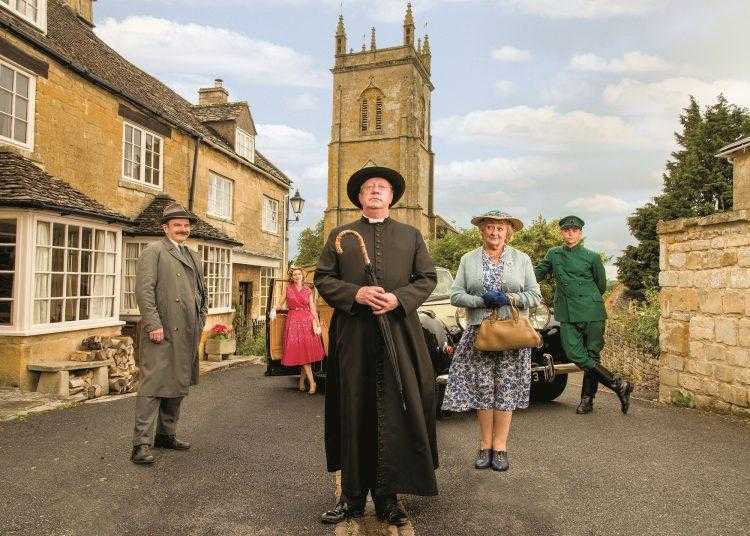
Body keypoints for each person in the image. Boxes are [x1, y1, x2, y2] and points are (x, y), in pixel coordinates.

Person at [314, 166, 438, 527]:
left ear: (391, 197)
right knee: (353, 408)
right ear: (359, 197)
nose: (375, 191)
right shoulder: (340, 235)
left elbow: (426, 278)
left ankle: (388, 498)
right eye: (369, 187)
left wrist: (398, 299)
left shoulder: (411, 235)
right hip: (353, 334)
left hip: (398, 333)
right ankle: (350, 498)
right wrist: (357, 293)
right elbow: (323, 278)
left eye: (381, 188)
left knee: (396, 410)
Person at [442, 210, 542, 472]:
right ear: (482, 231)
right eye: (490, 228)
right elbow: (455, 295)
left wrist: (509, 299)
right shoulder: (468, 259)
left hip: (511, 334)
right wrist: (480, 301)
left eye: (500, 228)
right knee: (484, 389)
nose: (495, 233)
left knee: (506, 390)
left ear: (508, 232)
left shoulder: (521, 259)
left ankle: (500, 448)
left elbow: (534, 295)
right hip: (479, 333)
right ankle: (484, 445)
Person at [130, 202, 207, 465]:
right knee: (152, 387)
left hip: (187, 331)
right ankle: (140, 444)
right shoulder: (154, 251)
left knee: (178, 384)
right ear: (165, 228)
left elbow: (201, 292)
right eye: (177, 226)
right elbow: (144, 291)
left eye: (186, 226)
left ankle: (166, 434)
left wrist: (201, 319)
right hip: (162, 331)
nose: (183, 230)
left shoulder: (193, 255)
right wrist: (153, 324)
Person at [534, 215, 633, 414]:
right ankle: (618, 384)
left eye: (575, 230)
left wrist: (587, 300)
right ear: (562, 232)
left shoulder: (592, 257)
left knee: (592, 355)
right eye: (566, 230)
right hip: (568, 312)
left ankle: (587, 400)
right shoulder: (553, 254)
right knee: (574, 354)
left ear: (580, 233)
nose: (570, 233)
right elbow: (536, 274)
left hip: (592, 311)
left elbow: (601, 285)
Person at [270, 267, 325, 394]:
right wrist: (274, 309)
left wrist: (316, 324)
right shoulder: (288, 289)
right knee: (302, 352)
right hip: (293, 321)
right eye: (294, 274)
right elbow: (280, 303)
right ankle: (308, 382)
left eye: (299, 274)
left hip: (307, 322)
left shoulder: (307, 290)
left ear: (302, 276)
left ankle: (310, 383)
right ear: (292, 277)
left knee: (304, 353)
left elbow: (312, 308)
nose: (297, 276)